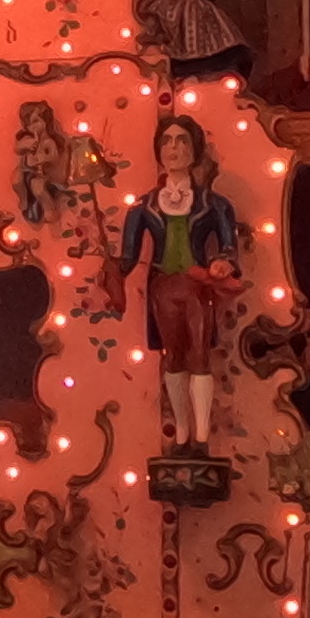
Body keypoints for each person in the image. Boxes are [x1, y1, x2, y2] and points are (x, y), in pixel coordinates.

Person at [119, 119, 252, 470]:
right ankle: (181, 435)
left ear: (194, 150)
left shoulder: (214, 204)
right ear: (158, 151)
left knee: (200, 356)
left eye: (181, 141)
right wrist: (111, 270)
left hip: (196, 286)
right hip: (163, 287)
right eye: (167, 141)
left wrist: (223, 262)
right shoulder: (143, 207)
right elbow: (128, 256)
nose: (173, 148)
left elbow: (228, 247)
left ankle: (202, 437)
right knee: (173, 358)